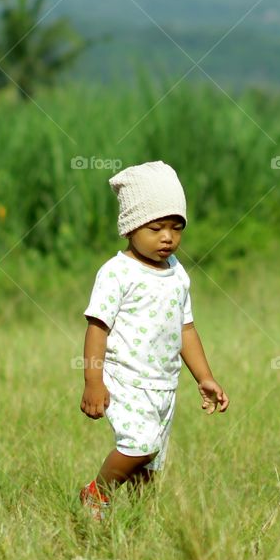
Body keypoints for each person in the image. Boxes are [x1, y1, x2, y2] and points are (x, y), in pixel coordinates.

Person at [78, 160, 229, 520]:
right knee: (139, 448)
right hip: (126, 380)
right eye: (157, 227)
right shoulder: (117, 273)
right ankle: (95, 493)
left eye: (177, 228)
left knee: (149, 471)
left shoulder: (177, 273)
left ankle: (139, 528)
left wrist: (204, 377)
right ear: (131, 227)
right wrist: (93, 381)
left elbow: (186, 329)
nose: (168, 238)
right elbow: (97, 328)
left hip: (164, 385)